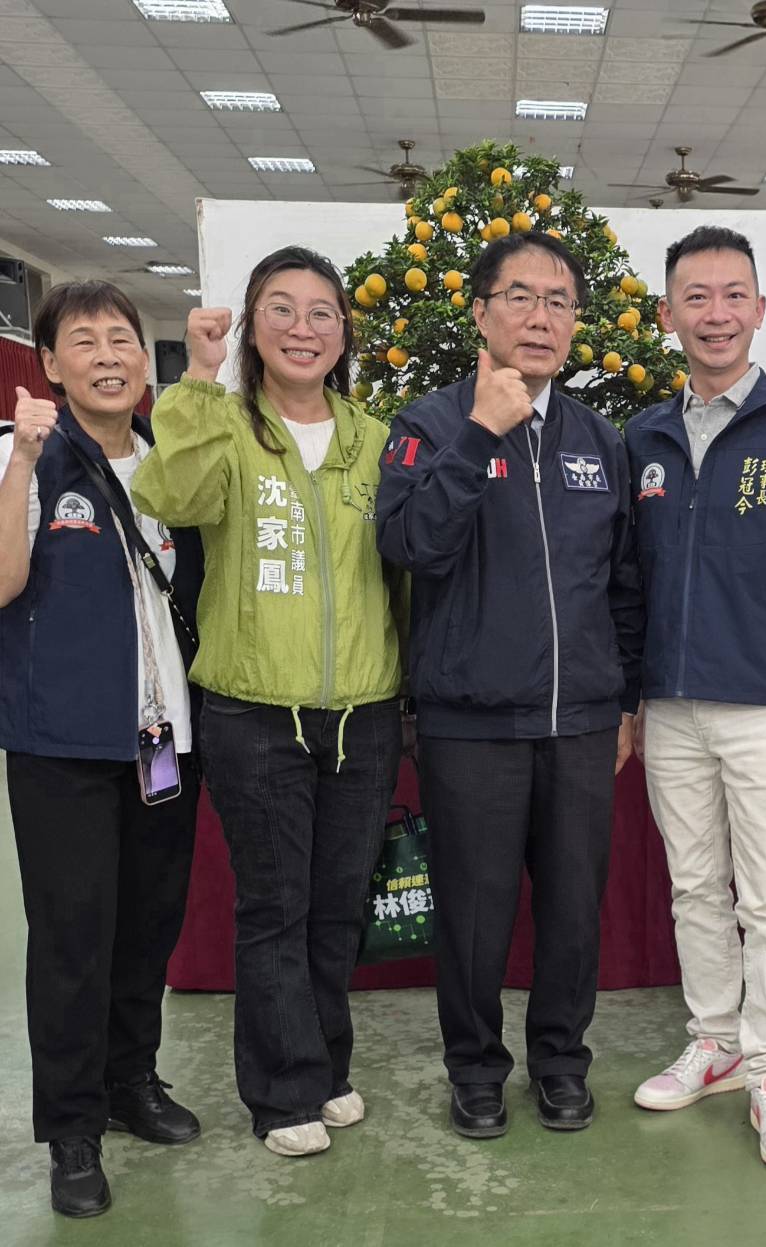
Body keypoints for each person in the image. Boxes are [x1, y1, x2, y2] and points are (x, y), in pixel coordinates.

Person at [132, 246, 405, 1158]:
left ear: (344, 332)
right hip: (253, 711)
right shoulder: (228, 428)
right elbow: (167, 492)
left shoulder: (375, 437)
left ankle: (325, 1065)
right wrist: (198, 378)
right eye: (280, 310)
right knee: (276, 906)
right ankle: (281, 1090)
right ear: (253, 328)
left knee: (337, 906)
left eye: (321, 311)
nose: (302, 327)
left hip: (362, 713)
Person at [375, 231, 643, 1139]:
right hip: (470, 724)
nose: (541, 317)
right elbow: (410, 546)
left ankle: (562, 1062)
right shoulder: (428, 424)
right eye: (521, 297)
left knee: (573, 912)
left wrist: (624, 700)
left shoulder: (599, 439)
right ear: (480, 311)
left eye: (560, 301)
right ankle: (476, 1069)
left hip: (579, 722)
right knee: (476, 916)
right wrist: (483, 431)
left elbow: (622, 584)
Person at [627, 225, 766, 1170]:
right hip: (670, 705)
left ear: (759, 310)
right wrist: (635, 703)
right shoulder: (643, 434)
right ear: (668, 312)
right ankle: (714, 1040)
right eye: (696, 296)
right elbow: (629, 579)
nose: (715, 314)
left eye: (733, 296)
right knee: (691, 888)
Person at [0, 282, 203, 1217]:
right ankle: (71, 1128)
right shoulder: (25, 457)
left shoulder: (168, 465)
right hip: (63, 743)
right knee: (73, 938)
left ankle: (133, 1081)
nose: (108, 354)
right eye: (83, 341)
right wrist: (25, 457)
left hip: (163, 743)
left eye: (122, 338)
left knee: (148, 921)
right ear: (50, 365)